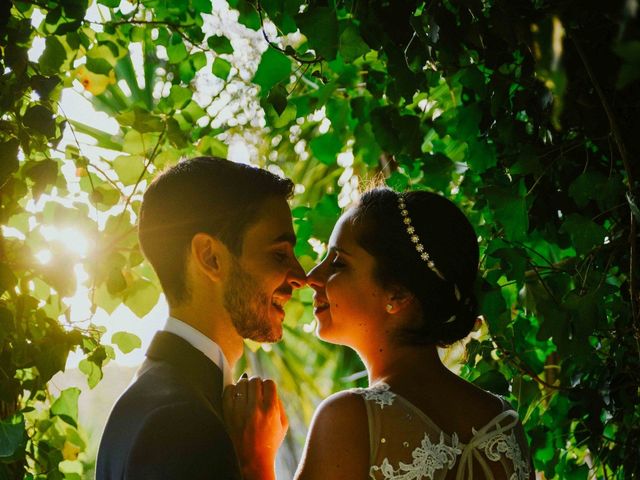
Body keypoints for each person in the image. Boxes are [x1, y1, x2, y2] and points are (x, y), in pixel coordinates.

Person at [225, 187, 534, 479]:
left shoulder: (351, 419)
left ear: (397, 294)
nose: (311, 277)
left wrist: (256, 458)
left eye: (338, 263)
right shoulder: (505, 425)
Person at [96, 157, 302, 479]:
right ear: (211, 258)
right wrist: (253, 465)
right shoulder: (179, 422)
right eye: (279, 254)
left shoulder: (161, 398)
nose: (300, 276)